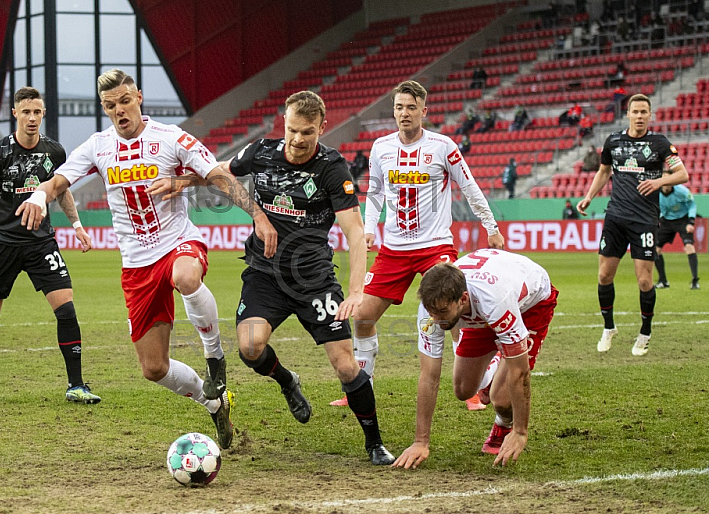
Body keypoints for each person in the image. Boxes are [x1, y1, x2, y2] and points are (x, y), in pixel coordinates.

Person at [16, 69, 275, 449]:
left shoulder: (170, 138)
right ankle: (215, 401)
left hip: (178, 243)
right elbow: (57, 181)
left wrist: (257, 215)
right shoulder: (98, 146)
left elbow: (218, 175)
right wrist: (39, 197)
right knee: (153, 368)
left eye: (124, 101)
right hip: (137, 264)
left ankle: (215, 358)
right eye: (110, 106)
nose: (119, 110)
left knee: (186, 278)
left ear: (138, 97)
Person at [220, 90, 395, 465]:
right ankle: (287, 381)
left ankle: (374, 442)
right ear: (283, 122)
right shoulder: (261, 152)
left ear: (322, 128)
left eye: (308, 132)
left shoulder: (333, 168)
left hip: (314, 280)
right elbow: (219, 175)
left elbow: (354, 232)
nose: (298, 140)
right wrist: (256, 213)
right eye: (293, 130)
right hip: (265, 276)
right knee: (250, 348)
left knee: (346, 366)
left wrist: (354, 291)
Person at [330, 80, 505, 409]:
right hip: (394, 249)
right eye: (399, 107)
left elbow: (469, 186)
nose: (404, 113)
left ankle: (471, 388)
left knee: (451, 313)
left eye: (411, 107)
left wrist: (490, 226)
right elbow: (376, 192)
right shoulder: (381, 147)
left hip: (435, 246)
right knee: (363, 316)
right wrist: (370, 229)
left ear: (424, 111)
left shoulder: (442, 146)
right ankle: (360, 385)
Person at [0, 87, 100, 406]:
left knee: (67, 310)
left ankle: (76, 385)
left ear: (42, 114)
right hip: (1, 244)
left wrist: (77, 226)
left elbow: (61, 191)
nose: (32, 118)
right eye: (26, 112)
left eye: (37, 112)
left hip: (40, 243)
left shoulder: (54, 153)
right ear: (15, 114)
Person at [393, 251, 557, 468]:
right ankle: (500, 353)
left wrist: (520, 431)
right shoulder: (432, 309)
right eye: (432, 312)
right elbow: (429, 375)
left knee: (501, 399)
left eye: (442, 312)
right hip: (478, 311)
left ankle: (503, 424)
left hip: (530, 306)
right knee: (463, 389)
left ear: (462, 299)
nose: (436, 320)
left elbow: (521, 373)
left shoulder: (495, 299)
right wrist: (420, 441)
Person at [577, 93, 688, 357]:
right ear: (628, 114)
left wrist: (660, 181)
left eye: (644, 112)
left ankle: (645, 332)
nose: (639, 116)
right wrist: (589, 196)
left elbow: (683, 173)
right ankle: (608, 327)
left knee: (645, 281)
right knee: (604, 275)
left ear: (650, 115)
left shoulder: (660, 143)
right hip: (615, 217)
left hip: (644, 220)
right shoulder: (614, 141)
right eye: (635, 112)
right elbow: (604, 171)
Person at [655, 184, 700, 290]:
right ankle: (663, 281)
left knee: (689, 246)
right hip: (666, 221)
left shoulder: (682, 191)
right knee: (656, 249)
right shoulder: (656, 192)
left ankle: (695, 280)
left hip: (683, 220)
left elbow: (692, 205)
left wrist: (691, 222)